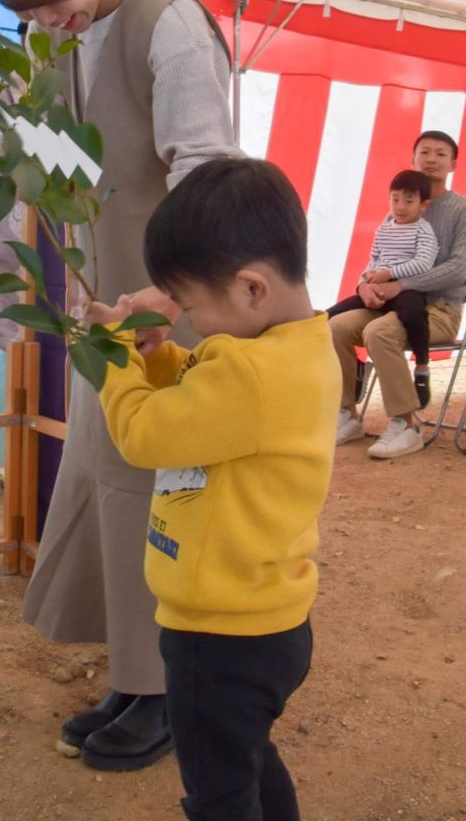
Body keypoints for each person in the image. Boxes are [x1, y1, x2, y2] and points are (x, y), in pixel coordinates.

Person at [0, 0, 237, 771]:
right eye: (29, 12)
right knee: (108, 483)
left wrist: (167, 297)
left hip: (170, 314)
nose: (49, 21)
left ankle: (168, 691)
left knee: (168, 502)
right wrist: (10, 133)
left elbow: (205, 172)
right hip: (108, 316)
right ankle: (135, 675)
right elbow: (75, 163)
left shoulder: (169, 21)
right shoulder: (62, 37)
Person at [86, 157, 339, 821]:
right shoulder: (294, 350)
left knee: (220, 795)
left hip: (218, 635)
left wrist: (110, 355)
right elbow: (209, 402)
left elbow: (145, 434)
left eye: (192, 305)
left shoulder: (251, 376)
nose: (191, 323)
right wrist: (159, 357)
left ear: (252, 288)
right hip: (268, 621)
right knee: (245, 758)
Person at [333, 130, 466, 459]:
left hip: (438, 310)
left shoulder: (461, 209)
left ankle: (407, 425)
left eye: (440, 153)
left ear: (453, 163)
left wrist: (402, 285)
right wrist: (364, 285)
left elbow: (461, 268)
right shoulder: (397, 208)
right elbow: (379, 258)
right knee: (332, 327)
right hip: (389, 304)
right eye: (424, 152)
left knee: (379, 332)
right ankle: (347, 415)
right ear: (413, 159)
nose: (431, 158)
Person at [327, 169, 438, 407]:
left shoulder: (423, 230)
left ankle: (422, 366)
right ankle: (356, 367)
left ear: (423, 205)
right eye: (395, 199)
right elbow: (374, 259)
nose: (400, 206)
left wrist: (390, 274)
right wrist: (367, 280)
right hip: (377, 286)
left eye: (409, 201)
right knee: (330, 315)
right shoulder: (385, 227)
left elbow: (423, 263)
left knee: (415, 314)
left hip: (407, 289)